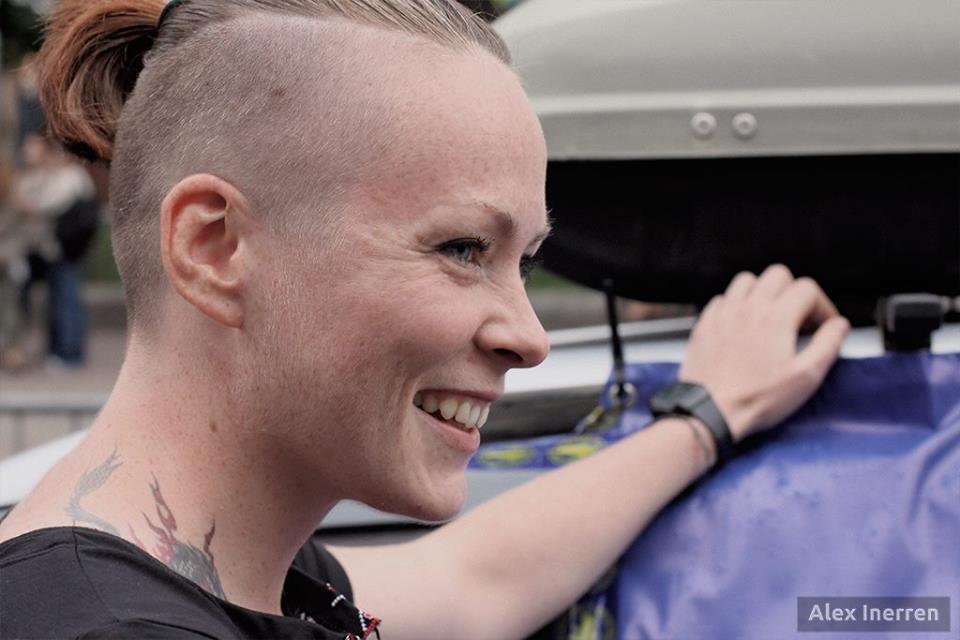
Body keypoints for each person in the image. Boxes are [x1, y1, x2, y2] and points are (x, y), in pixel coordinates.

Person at [0, 0, 851, 638]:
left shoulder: (229, 570)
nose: (530, 337)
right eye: (463, 248)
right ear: (213, 247)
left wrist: (706, 415)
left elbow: (477, 581)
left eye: (524, 261)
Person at [13, 132, 99, 367]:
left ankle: (70, 353)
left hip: (65, 250)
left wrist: (28, 203)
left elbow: (45, 204)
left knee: (66, 298)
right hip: (45, 251)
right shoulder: (39, 176)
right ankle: (56, 349)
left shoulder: (71, 177)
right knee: (54, 300)